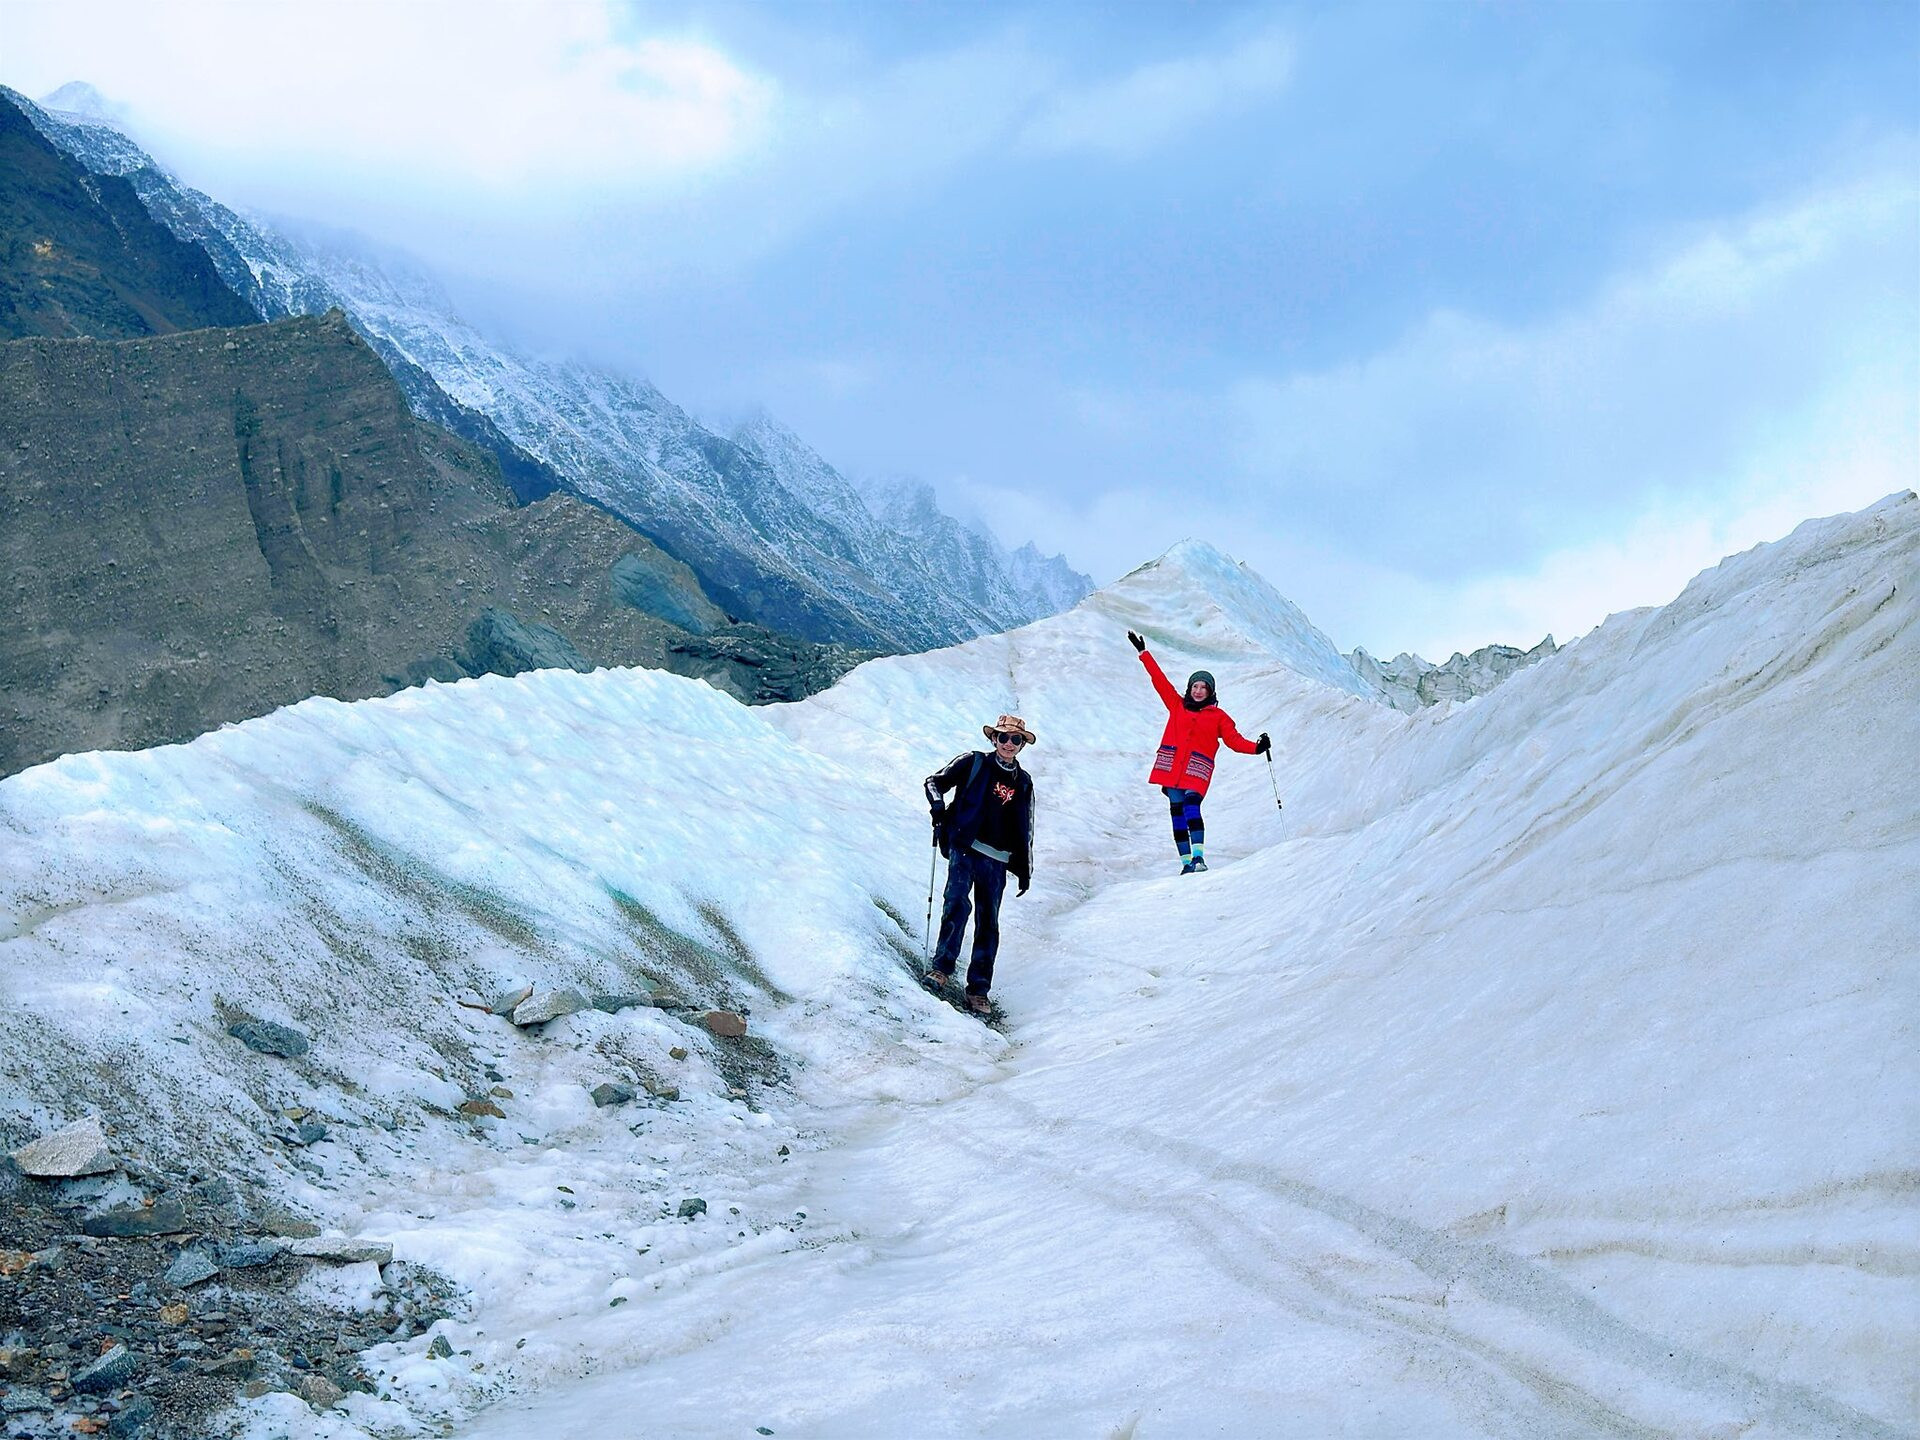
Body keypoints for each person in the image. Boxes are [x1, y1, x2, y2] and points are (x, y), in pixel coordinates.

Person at [1127, 631, 1269, 874]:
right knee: (1177, 813)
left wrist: (1257, 748)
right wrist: (1143, 653)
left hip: (1196, 769)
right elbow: (1159, 680)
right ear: (1189, 688)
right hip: (1172, 768)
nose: (1199, 690)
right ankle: (1186, 864)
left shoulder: (1219, 717)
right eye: (1195, 686)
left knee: (1191, 806)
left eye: (1204, 687)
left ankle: (1198, 858)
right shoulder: (1177, 705)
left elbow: (1234, 741)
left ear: (1211, 691)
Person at [923, 714, 1036, 1013]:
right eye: (1003, 737)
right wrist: (937, 807)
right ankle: (941, 969)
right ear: (994, 739)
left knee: (988, 922)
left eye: (1015, 739)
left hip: (997, 860)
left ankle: (979, 989)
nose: (1009, 744)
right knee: (956, 905)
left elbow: (1027, 827)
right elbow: (934, 782)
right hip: (965, 848)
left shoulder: (1024, 782)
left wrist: (1024, 869)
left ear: (1022, 745)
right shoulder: (972, 762)